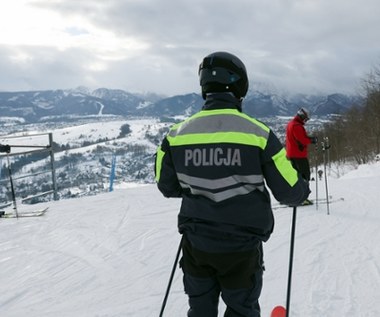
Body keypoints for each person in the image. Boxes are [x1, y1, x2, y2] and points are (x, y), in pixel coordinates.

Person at [155, 51, 310, 317]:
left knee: (200, 310)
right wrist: (303, 184)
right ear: (240, 85)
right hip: (241, 249)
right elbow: (291, 192)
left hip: (196, 245)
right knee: (241, 310)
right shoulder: (259, 134)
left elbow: (166, 186)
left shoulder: (175, 135)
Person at [285, 108, 317, 205]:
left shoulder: (291, 123)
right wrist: (311, 140)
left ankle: (295, 197)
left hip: (292, 153)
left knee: (296, 176)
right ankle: (302, 198)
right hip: (298, 155)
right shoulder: (297, 126)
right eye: (306, 119)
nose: (306, 121)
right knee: (304, 176)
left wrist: (309, 138)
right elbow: (302, 140)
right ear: (302, 117)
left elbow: (297, 138)